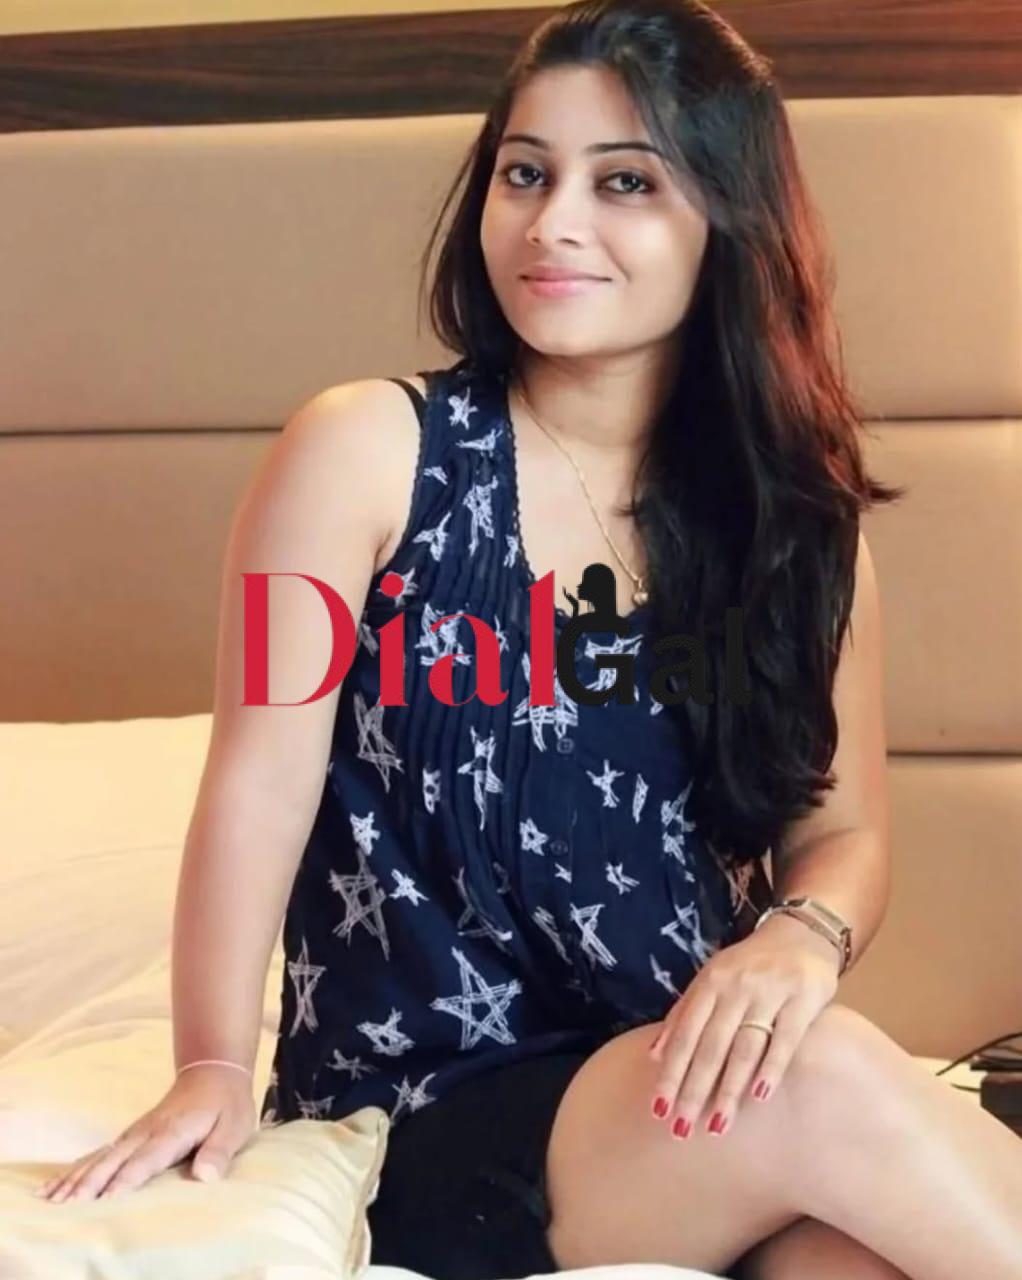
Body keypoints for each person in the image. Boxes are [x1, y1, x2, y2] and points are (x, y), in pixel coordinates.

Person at [36, 3, 1022, 1279]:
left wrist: (797, 936)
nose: (552, 222)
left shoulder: (797, 537)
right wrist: (214, 1062)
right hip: (424, 1098)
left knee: (855, 1257)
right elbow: (258, 778)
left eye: (624, 182)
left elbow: (841, 836)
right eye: (523, 173)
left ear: (726, 219)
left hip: (677, 1072)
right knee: (828, 1075)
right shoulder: (364, 452)